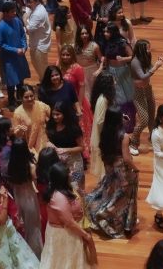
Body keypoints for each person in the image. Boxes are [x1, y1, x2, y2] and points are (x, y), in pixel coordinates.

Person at [86, 104, 139, 238]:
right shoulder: (125, 136)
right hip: (123, 171)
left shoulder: (105, 133)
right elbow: (126, 158)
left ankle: (110, 216)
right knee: (126, 197)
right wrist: (136, 168)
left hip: (110, 168)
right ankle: (112, 218)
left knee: (111, 193)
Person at [0, 165, 40, 269]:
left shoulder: (0, 191)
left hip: (8, 230)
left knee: (21, 259)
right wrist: (5, 199)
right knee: (4, 262)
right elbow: (0, 220)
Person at [41, 162, 96, 268]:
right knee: (65, 263)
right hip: (65, 236)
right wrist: (86, 236)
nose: (71, 173)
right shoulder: (58, 197)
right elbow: (69, 223)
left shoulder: (64, 189)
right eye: (68, 172)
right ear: (62, 178)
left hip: (70, 232)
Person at [102, 24, 137, 150]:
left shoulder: (122, 42)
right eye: (104, 31)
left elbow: (133, 56)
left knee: (128, 97)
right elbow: (106, 57)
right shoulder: (107, 43)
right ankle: (121, 123)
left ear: (113, 32)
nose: (105, 34)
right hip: (112, 71)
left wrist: (123, 59)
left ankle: (130, 124)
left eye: (107, 31)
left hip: (123, 71)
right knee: (118, 98)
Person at [7, 138, 42, 257]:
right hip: (29, 199)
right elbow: (35, 182)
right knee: (33, 227)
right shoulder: (31, 166)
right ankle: (36, 254)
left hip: (17, 199)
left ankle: (23, 255)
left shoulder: (10, 166)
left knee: (21, 228)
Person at [60, 45, 94, 159]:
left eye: (67, 54)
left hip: (76, 101)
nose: (65, 57)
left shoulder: (77, 68)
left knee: (80, 127)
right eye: (63, 55)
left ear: (72, 55)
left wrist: (79, 104)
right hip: (63, 101)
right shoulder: (58, 65)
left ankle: (82, 151)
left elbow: (82, 86)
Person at [0, 1, 31, 109]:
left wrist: (24, 46)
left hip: (20, 55)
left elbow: (22, 35)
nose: (15, 13)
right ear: (5, 13)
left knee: (20, 79)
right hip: (9, 59)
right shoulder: (1, 27)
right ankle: (11, 101)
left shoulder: (17, 21)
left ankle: (20, 98)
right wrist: (15, 50)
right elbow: (1, 44)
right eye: (12, 12)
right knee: (11, 82)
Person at [130, 39, 163, 151]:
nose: (149, 50)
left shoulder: (145, 57)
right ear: (141, 49)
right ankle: (133, 142)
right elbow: (143, 76)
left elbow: (149, 69)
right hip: (138, 91)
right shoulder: (135, 62)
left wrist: (155, 65)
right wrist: (156, 67)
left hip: (148, 89)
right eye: (147, 48)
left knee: (152, 118)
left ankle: (153, 140)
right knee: (144, 120)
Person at [46, 101, 85, 192]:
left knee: (77, 188)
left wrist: (65, 150)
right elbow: (48, 139)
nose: (55, 117)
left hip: (74, 162)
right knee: (64, 188)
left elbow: (81, 147)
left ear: (65, 114)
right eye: (53, 114)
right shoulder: (51, 125)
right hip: (59, 163)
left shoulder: (73, 128)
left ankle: (81, 205)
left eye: (58, 114)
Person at [89, 72, 116, 179]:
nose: (115, 83)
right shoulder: (103, 100)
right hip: (104, 137)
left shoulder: (105, 98)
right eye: (113, 81)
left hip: (106, 136)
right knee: (105, 166)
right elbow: (100, 122)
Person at [13, 84, 50, 153]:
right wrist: (20, 130)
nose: (30, 99)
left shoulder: (41, 106)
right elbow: (17, 135)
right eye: (26, 97)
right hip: (29, 146)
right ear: (21, 98)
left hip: (44, 140)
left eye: (31, 96)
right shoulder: (18, 113)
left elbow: (53, 116)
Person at [24, 0, 51, 80]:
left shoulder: (37, 14)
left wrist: (24, 19)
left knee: (42, 68)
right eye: (28, 2)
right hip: (38, 43)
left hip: (39, 46)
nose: (28, 4)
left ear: (37, 1)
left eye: (30, 2)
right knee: (39, 66)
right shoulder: (38, 8)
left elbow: (28, 30)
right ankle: (44, 83)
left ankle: (46, 86)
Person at [75, 25, 102, 102]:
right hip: (80, 72)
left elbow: (101, 60)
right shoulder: (76, 46)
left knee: (92, 93)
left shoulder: (95, 46)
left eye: (86, 33)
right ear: (78, 35)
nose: (84, 36)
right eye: (82, 34)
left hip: (92, 72)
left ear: (89, 34)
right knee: (82, 94)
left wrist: (99, 70)